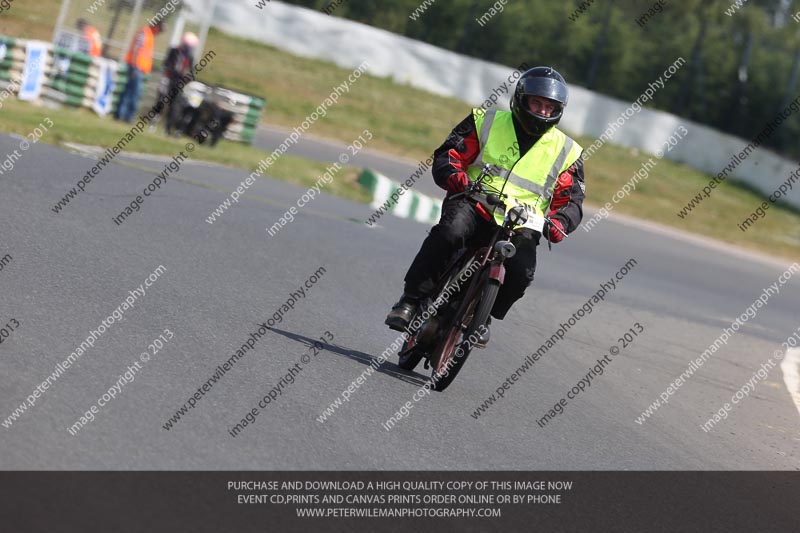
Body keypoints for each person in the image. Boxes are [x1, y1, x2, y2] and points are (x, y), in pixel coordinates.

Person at [385, 67, 586, 348]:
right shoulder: (485, 121)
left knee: (522, 272)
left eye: (549, 106)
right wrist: (455, 175)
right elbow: (450, 154)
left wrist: (561, 222)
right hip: (474, 202)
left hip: (521, 223)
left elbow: (571, 199)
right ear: (521, 99)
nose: (542, 111)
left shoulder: (567, 151)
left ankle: (482, 316)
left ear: (559, 110)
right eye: (536, 103)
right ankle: (409, 301)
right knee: (449, 234)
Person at [115, 20, 163, 123]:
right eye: (159, 29)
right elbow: (137, 49)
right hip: (136, 68)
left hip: (139, 68)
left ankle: (121, 115)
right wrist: (134, 66)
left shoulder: (149, 34)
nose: (159, 32)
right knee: (134, 93)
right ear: (156, 26)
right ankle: (127, 116)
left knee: (129, 91)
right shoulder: (145, 32)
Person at [153, 32, 199, 133]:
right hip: (169, 78)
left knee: (174, 105)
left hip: (179, 82)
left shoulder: (190, 57)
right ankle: (154, 121)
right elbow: (166, 64)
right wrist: (168, 73)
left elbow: (191, 72)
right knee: (161, 100)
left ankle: (167, 127)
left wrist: (187, 78)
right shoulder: (174, 51)